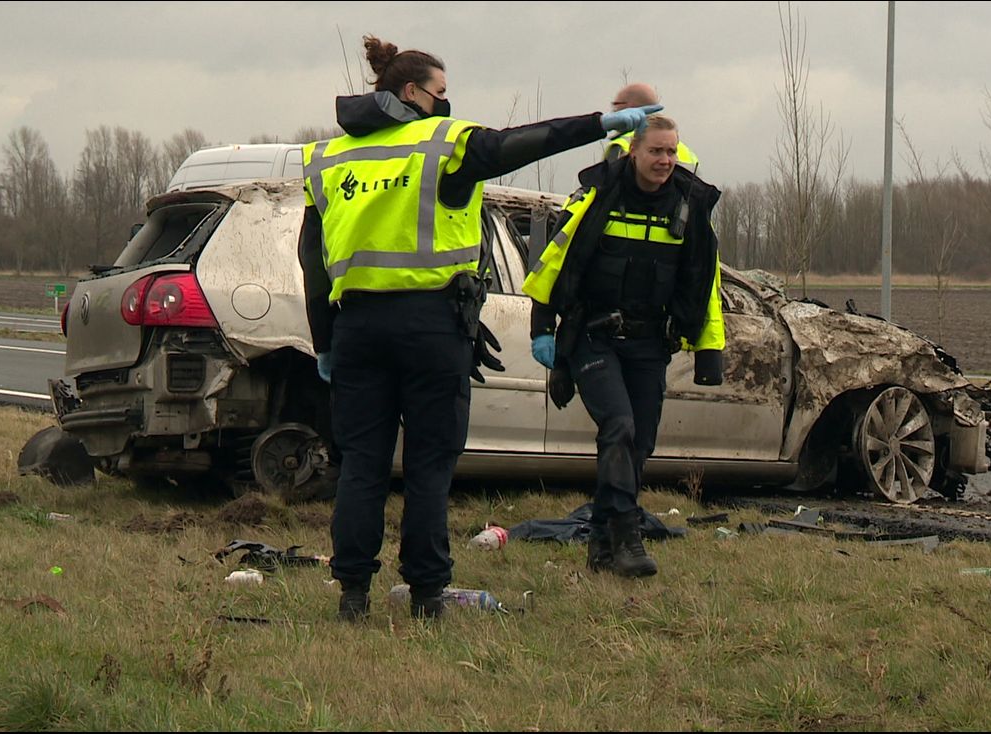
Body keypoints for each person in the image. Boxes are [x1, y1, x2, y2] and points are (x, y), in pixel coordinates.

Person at [298, 34, 664, 621]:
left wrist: (324, 341)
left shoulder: (328, 157)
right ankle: (425, 594)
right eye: (441, 93)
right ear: (413, 92)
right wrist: (601, 123)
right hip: (432, 327)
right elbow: (522, 143)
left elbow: (312, 262)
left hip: (357, 329)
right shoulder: (442, 143)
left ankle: (353, 596)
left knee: (362, 463)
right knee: (428, 465)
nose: (447, 103)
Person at [523, 115, 724, 578]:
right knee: (620, 425)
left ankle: (599, 540)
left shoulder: (689, 206)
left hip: (650, 341)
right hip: (593, 337)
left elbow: (703, 283)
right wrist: (542, 328)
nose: (665, 160)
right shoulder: (600, 198)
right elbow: (556, 263)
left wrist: (709, 348)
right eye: (656, 151)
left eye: (672, 152)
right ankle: (628, 537)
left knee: (641, 441)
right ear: (634, 151)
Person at [604, 83, 700, 175]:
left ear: (632, 107)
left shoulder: (620, 145)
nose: (614, 110)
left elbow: (607, 184)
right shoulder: (686, 152)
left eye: (617, 104)